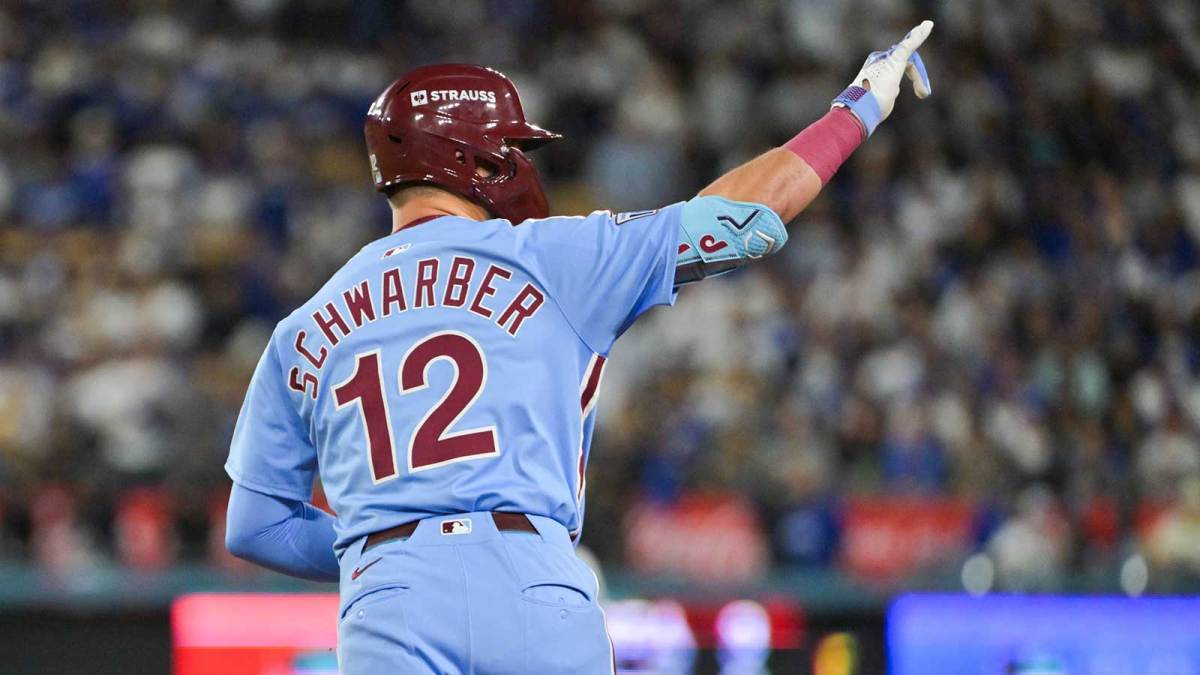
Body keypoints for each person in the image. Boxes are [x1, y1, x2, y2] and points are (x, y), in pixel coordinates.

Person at [223, 21, 934, 674]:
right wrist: (858, 107)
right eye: (511, 147)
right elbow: (745, 217)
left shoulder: (305, 326)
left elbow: (256, 527)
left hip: (387, 596)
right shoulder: (555, 255)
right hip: (531, 578)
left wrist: (384, 551)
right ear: (473, 155)